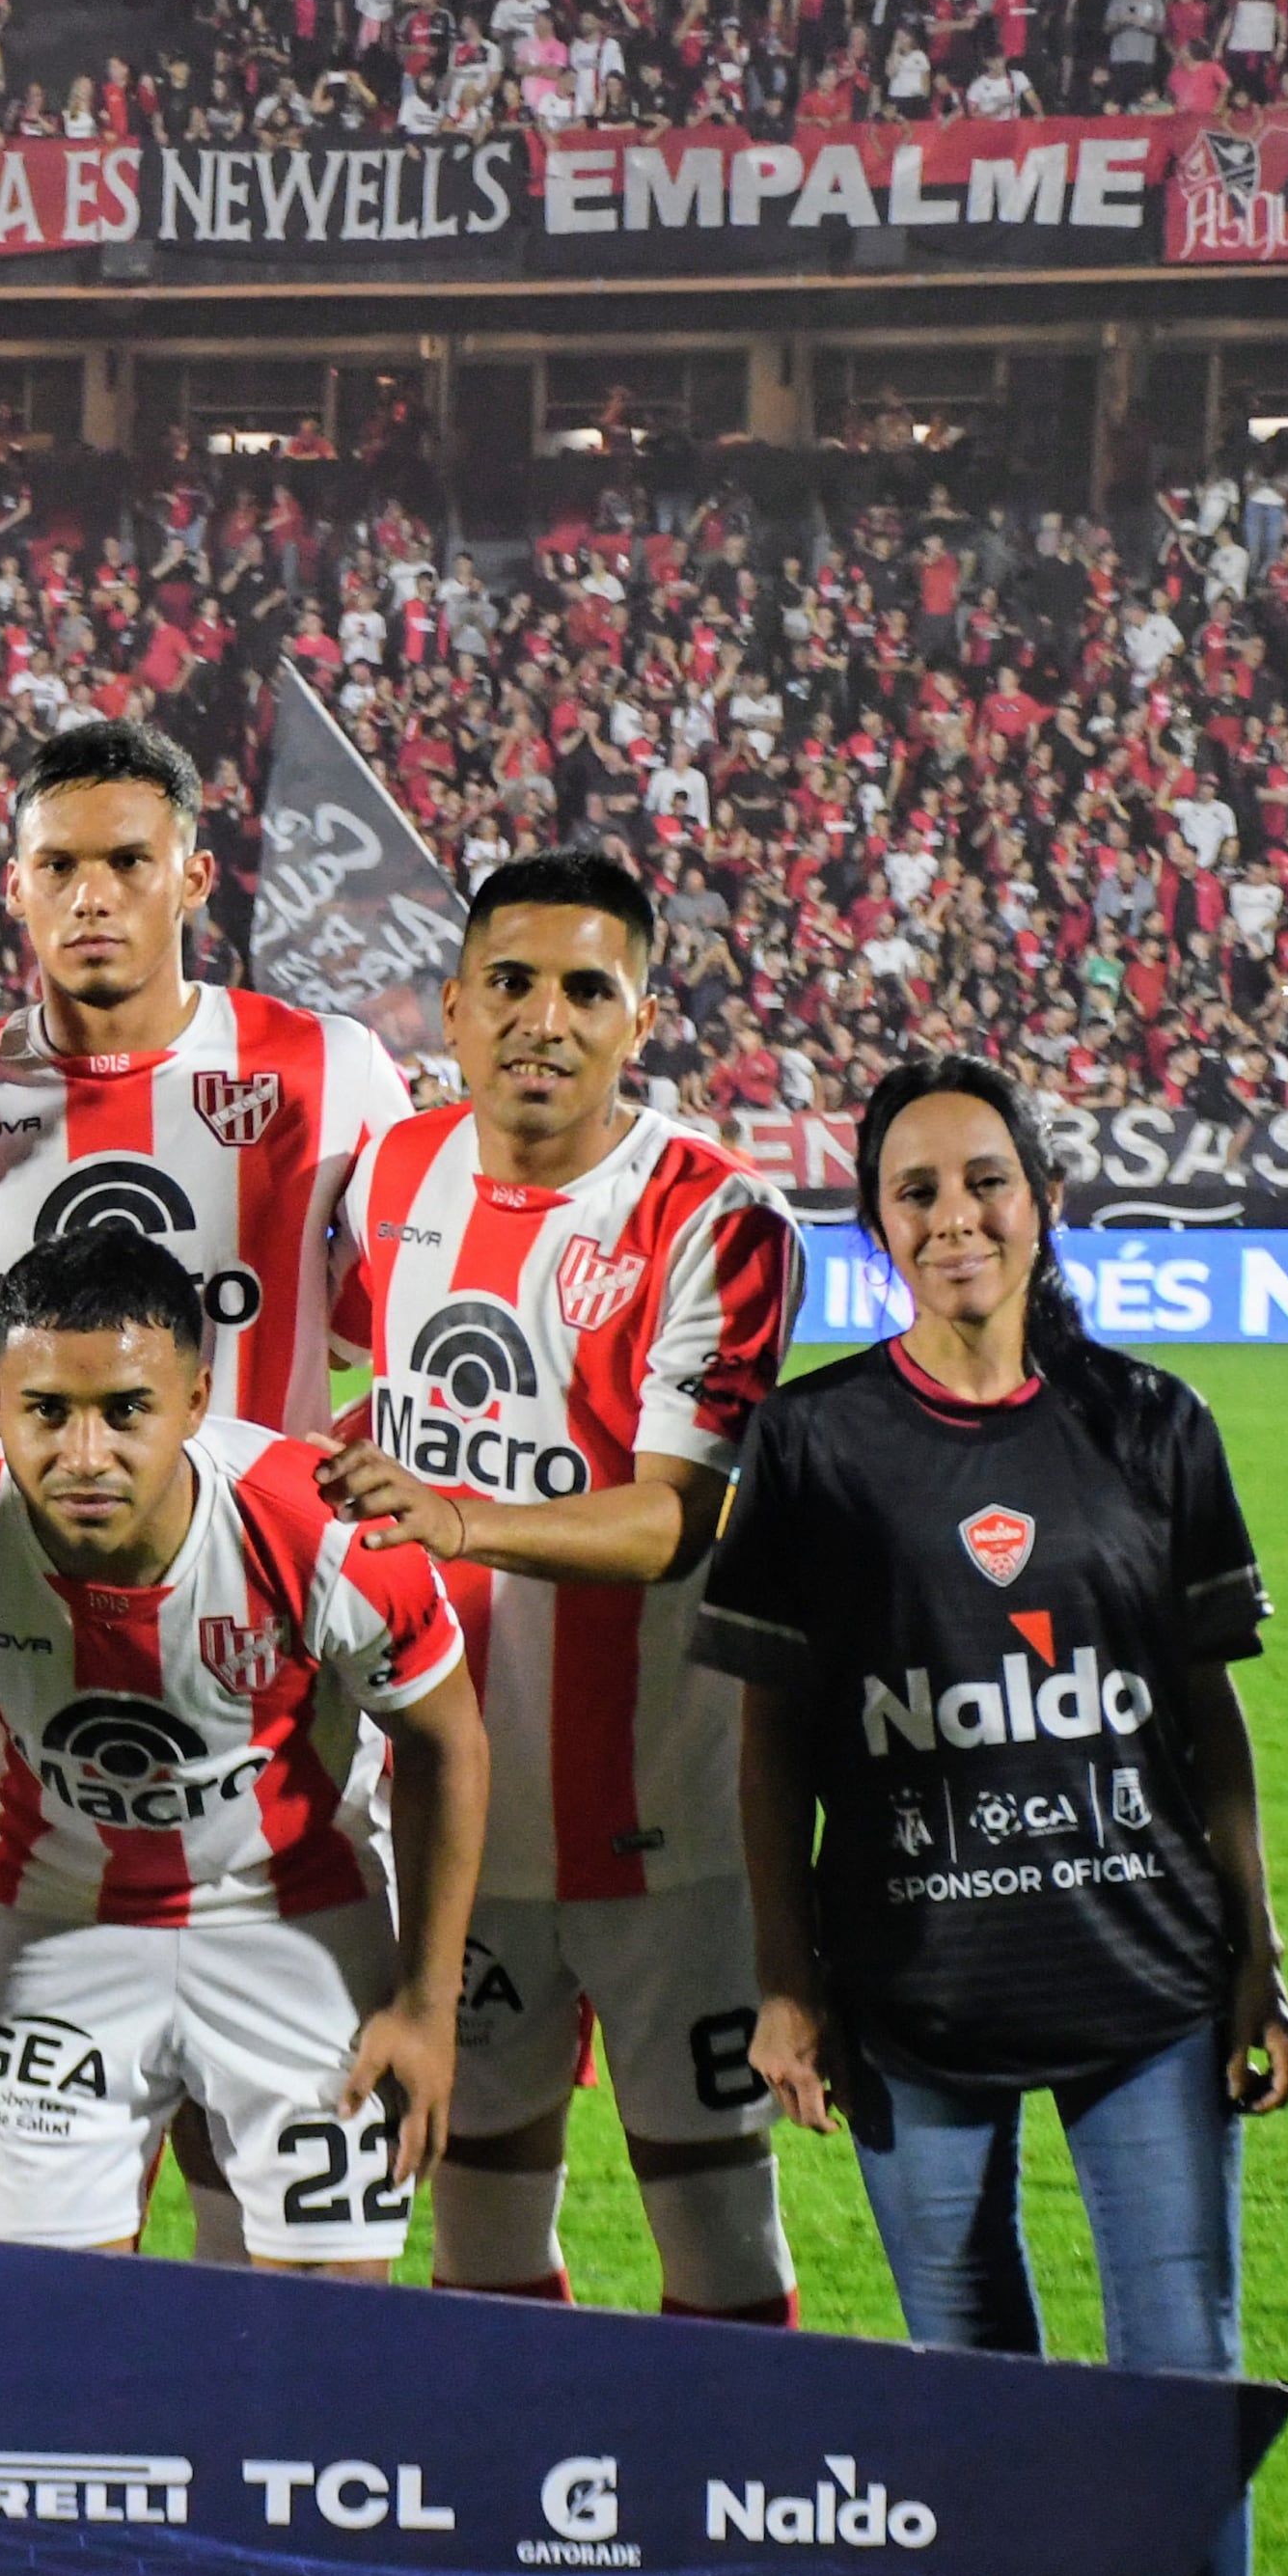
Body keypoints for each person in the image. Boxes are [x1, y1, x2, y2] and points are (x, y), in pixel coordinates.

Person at [697, 1055, 1288, 2576]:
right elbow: (771, 1745)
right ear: (875, 1220)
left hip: (1145, 1974)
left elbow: (1203, 1714)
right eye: (913, 1189)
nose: (952, 1216)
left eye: (984, 1180)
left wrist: (1260, 1950)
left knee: (1179, 2385)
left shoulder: (1148, 1421)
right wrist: (786, 1987)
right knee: (973, 2395)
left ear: (1040, 1198)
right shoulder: (814, 1444)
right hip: (909, 1988)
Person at [0, 716, 413, 2259]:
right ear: (14, 887)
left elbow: (417, 1327)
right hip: (13, 1718)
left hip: (279, 1695)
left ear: (196, 870)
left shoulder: (329, 1072)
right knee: (45, 2189)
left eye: (129, 860)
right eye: (60, 865)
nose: (95, 894)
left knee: (270, 2168)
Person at [316, 847, 807, 2319]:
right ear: (452, 1008)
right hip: (454, 1819)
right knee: (476, 2242)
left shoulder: (717, 1218)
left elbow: (674, 1519)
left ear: (639, 1018)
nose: (545, 1017)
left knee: (721, 2249)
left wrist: (457, 1523)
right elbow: (368, 1385)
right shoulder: (395, 1172)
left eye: (588, 987)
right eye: (511, 984)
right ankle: (511, 2532)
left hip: (668, 1830)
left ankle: (727, 2531)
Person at [0, 1224, 485, 2277]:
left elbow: (444, 1743)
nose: (84, 1456)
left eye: (125, 1411)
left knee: (332, 2320)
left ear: (195, 1401)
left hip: (295, 1925)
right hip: (58, 1930)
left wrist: (423, 2005)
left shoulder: (322, 1527)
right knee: (48, 2319)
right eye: (45, 1412)